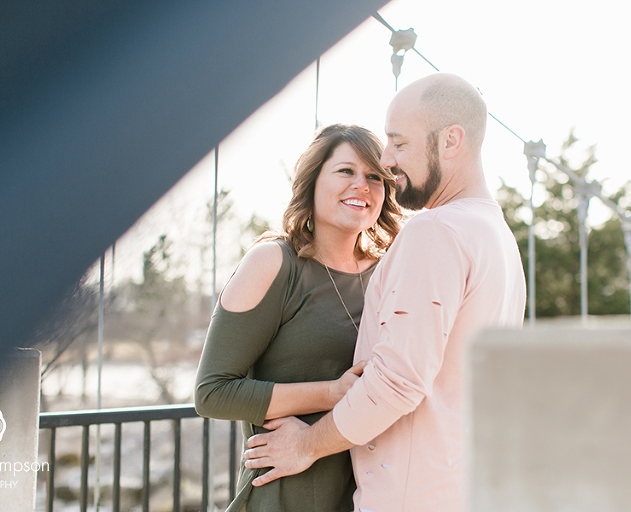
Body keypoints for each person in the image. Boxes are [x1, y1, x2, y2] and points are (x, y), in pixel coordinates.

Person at [243, 73, 527, 512]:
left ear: (451, 140)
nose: (388, 160)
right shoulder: (498, 237)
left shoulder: (436, 231)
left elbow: (396, 383)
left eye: (399, 143)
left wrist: (306, 445)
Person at [194, 124, 402, 512]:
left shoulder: (390, 273)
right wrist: (332, 392)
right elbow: (212, 393)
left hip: (371, 497)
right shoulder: (274, 262)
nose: (363, 185)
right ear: (312, 181)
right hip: (286, 496)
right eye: (346, 171)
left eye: (375, 177)